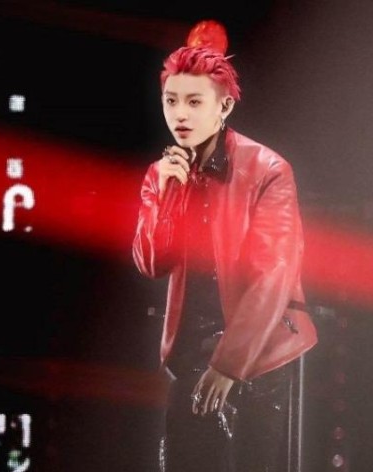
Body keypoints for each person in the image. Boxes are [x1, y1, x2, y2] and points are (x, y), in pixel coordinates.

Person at [132, 20, 318, 472]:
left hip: (260, 354)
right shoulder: (162, 173)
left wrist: (229, 365)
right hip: (193, 353)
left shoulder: (268, 169)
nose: (180, 114)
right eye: (171, 100)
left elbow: (273, 277)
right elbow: (151, 262)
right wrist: (166, 199)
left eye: (194, 102)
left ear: (225, 106)